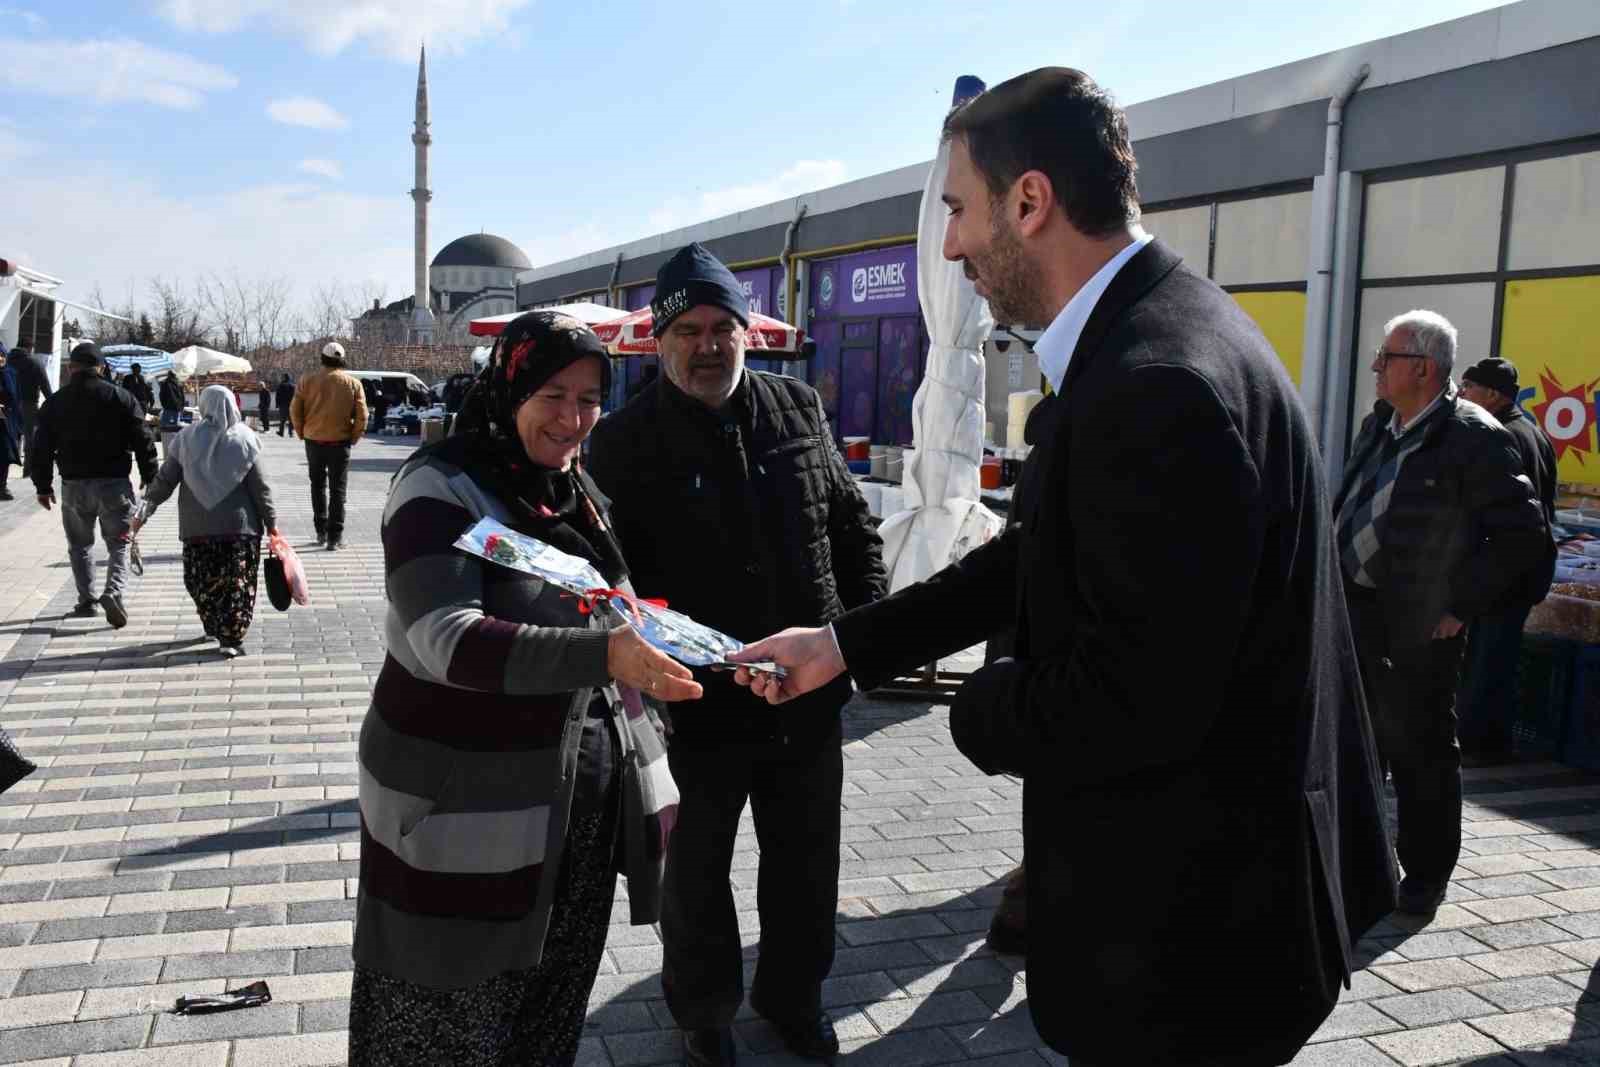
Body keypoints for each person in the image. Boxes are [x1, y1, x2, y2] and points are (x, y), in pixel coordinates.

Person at [728, 68, 1399, 1067]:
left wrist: (977, 707)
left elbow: (1137, 699)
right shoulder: (1167, 327)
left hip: (1191, 948)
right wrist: (842, 646)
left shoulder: (1155, 384)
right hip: (1218, 914)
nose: (949, 243)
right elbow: (1036, 551)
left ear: (1029, 201)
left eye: (957, 208)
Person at [348, 311, 701, 1066]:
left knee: (544, 1025)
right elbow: (444, 637)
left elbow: (617, 608)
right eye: (553, 393)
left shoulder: (575, 492)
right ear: (508, 385)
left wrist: (698, 657)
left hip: (570, 819)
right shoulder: (441, 486)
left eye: (589, 398)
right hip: (456, 818)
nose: (573, 418)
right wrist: (606, 656)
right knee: (442, 1025)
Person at [587, 243, 887, 1067]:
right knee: (694, 876)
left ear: (747, 331)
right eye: (689, 329)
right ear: (659, 338)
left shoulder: (798, 408)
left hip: (805, 698)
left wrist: (853, 644)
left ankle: (794, 998)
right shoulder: (620, 443)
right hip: (696, 712)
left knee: (804, 868)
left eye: (724, 326)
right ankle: (704, 1009)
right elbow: (611, 587)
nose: (709, 345)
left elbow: (854, 527)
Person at [1334, 315, 1551, 915]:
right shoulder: (1380, 424)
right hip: (1357, 610)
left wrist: (1459, 606)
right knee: (1360, 741)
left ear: (1423, 368)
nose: (1376, 367)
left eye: (1387, 356)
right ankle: (1363, 858)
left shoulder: (1474, 436)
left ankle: (1425, 875)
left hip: (1419, 624)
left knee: (1420, 750)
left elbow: (1523, 540)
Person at [130, 387, 279, 657]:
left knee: (200, 580)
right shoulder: (247, 439)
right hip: (240, 529)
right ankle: (230, 636)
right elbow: (261, 489)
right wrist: (272, 525)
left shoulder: (185, 439)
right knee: (237, 583)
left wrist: (143, 512)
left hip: (197, 528)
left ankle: (216, 625)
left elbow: (164, 481)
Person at [30, 342, 158, 626]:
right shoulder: (121, 397)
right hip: (114, 484)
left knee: (80, 546)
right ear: (101, 367)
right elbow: (143, 439)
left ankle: (87, 601)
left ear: (71, 368)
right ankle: (113, 592)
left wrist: (42, 485)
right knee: (119, 544)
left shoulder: (56, 402)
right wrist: (151, 477)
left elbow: (40, 447)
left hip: (74, 485)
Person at [289, 342, 367, 550]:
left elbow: (295, 410)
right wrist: (353, 437)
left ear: (322, 358)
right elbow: (362, 416)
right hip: (340, 443)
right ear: (341, 359)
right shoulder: (352, 383)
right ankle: (335, 537)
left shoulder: (307, 380)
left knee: (317, 487)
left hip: (313, 442)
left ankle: (320, 532)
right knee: (338, 490)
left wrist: (302, 432)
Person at [9, 344, 53, 464]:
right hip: (29, 404)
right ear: (30, 348)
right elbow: (45, 385)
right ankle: (28, 470)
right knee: (30, 438)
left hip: (9, 405)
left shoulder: (6, 360)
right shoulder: (34, 363)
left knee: (10, 435)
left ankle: (9, 466)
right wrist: (52, 403)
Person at [0, 347, 20, 501]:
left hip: (7, 422)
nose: (0, 359)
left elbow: (15, 397)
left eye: (2, 355)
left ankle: (2, 486)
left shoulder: (11, 373)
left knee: (6, 454)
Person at [158, 372, 187, 460]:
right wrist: (181, 407)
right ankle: (174, 454)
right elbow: (182, 397)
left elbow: (161, 397)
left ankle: (167, 454)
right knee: (175, 431)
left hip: (168, 409)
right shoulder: (178, 383)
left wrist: (165, 406)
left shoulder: (164, 383)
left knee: (165, 431)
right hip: (176, 409)